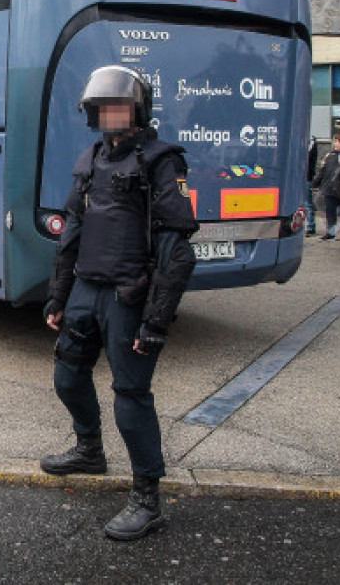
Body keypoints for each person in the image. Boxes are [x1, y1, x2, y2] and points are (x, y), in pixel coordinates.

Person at [41, 65, 198, 541]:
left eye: (119, 107)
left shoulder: (161, 161)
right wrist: (58, 295)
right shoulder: (89, 158)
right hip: (87, 289)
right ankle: (89, 450)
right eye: (101, 108)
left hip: (130, 296)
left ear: (138, 111)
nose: (110, 116)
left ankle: (147, 498)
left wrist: (157, 320)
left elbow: (178, 250)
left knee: (130, 397)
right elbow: (71, 230)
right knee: (67, 375)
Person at [312, 133, 340, 241]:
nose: (335, 144)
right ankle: (331, 232)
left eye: (337, 142)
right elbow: (323, 170)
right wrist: (316, 182)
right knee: (330, 212)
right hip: (329, 188)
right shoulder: (331, 156)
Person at [304, 135, 318, 237]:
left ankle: (310, 226)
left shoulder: (312, 142)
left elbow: (309, 160)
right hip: (297, 176)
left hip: (306, 176)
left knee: (307, 203)